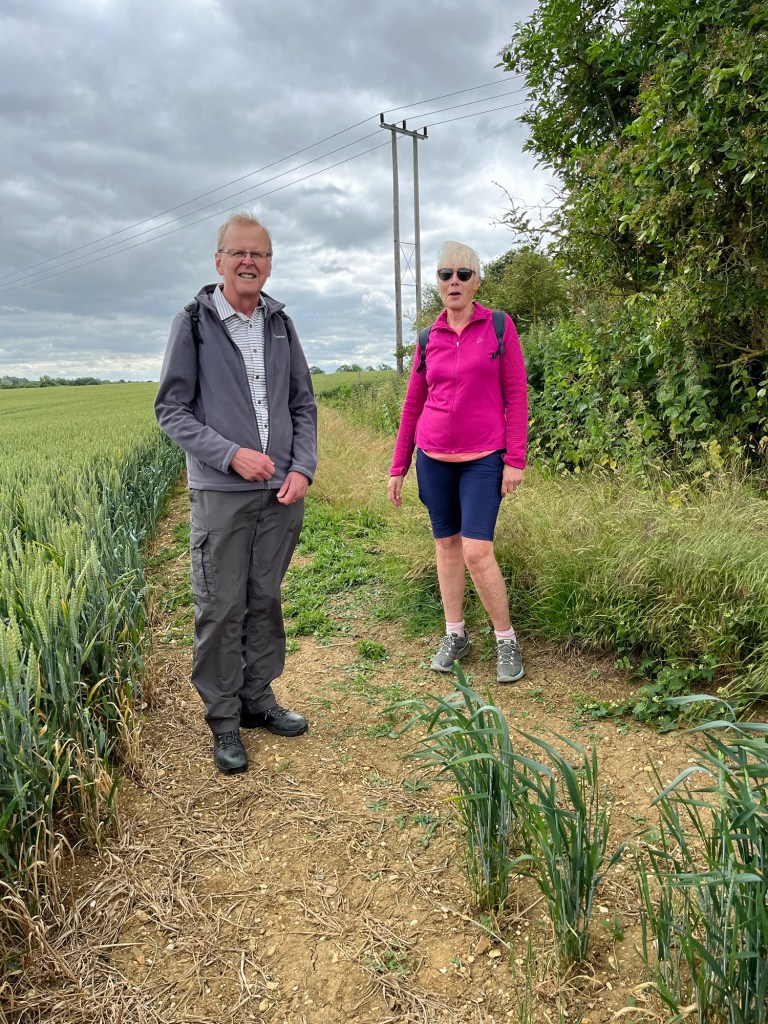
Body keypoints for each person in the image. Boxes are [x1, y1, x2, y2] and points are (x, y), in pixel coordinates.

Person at [155, 212, 318, 774]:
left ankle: (257, 698)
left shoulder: (280, 324)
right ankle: (223, 719)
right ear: (219, 260)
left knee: (263, 597)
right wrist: (230, 454)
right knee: (221, 605)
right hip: (222, 491)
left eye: (260, 253)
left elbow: (302, 404)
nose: (250, 261)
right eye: (239, 252)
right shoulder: (194, 323)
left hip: (281, 493)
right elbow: (171, 409)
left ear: (269, 264)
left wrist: (302, 468)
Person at [388, 241, 528, 684]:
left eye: (463, 274)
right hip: (432, 459)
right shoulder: (428, 337)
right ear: (438, 283)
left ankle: (505, 638)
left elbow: (516, 395)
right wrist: (399, 466)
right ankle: (455, 634)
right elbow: (413, 404)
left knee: (477, 551)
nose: (454, 281)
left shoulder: (499, 327)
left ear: (476, 282)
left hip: (483, 459)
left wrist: (515, 459)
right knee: (446, 545)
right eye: (446, 274)